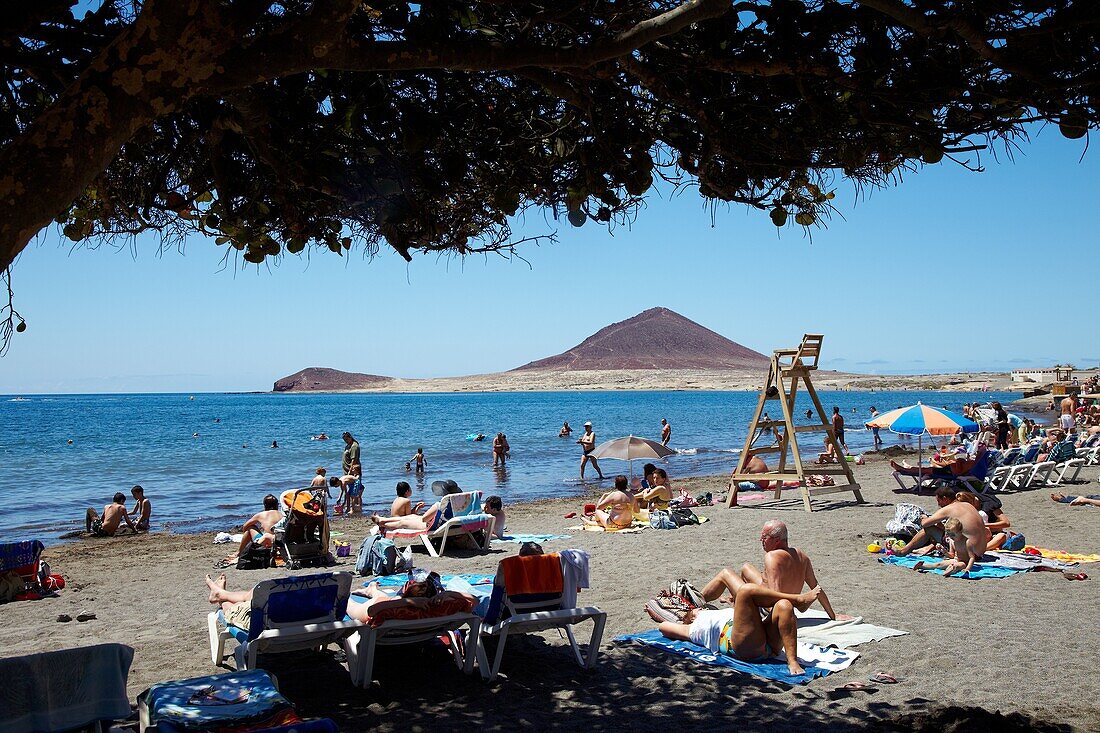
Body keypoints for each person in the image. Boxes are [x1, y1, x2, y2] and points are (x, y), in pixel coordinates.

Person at [658, 583, 822, 675]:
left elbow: (745, 618)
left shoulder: (716, 614)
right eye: (697, 610)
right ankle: (798, 600)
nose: (702, 609)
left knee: (784, 606)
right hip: (742, 647)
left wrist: (732, 604)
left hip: (762, 642)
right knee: (745, 591)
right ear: (693, 617)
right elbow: (663, 627)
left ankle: (792, 660)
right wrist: (683, 622)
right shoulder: (694, 628)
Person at [698, 520, 836, 619]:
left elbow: (774, 596)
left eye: (764, 537)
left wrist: (796, 602)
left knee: (725, 573)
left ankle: (693, 602)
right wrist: (832, 615)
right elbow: (816, 587)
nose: (760, 540)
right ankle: (734, 600)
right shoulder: (801, 555)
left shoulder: (772, 557)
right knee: (746, 568)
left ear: (776, 540)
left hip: (766, 610)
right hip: (785, 603)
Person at [894, 485, 988, 559]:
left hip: (968, 552)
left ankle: (904, 551)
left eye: (939, 501)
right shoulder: (967, 505)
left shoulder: (949, 508)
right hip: (980, 552)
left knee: (929, 529)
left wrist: (923, 517)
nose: (939, 505)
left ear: (945, 498)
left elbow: (925, 524)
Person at [233, 494, 284, 559]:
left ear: (265, 505)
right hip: (280, 542)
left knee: (250, 528)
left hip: (268, 542)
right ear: (277, 505)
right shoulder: (282, 514)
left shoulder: (261, 514)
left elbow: (245, 527)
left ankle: (239, 552)